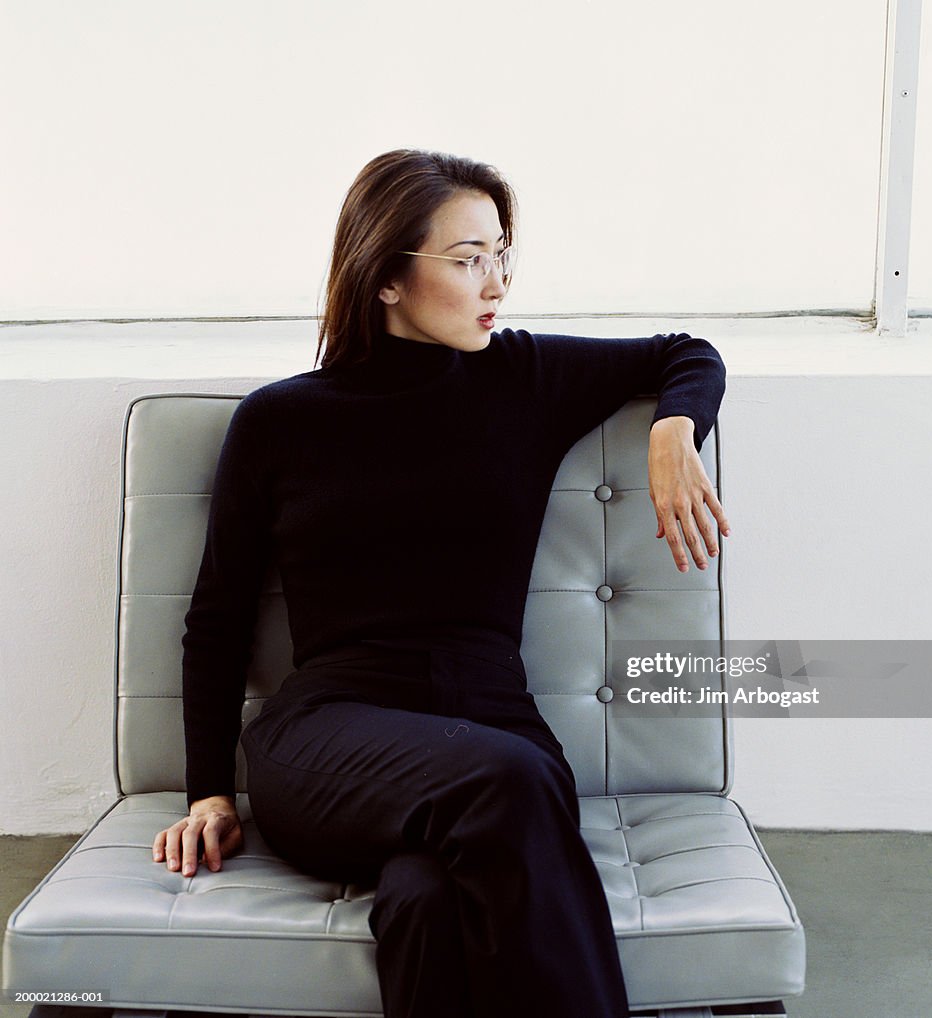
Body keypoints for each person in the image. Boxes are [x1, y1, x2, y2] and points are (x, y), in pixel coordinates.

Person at [152, 148, 729, 1018]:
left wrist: (673, 427)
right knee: (507, 781)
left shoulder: (523, 378)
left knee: (426, 899)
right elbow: (218, 619)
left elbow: (687, 352)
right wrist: (207, 789)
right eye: (467, 261)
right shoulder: (279, 421)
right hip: (329, 740)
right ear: (386, 276)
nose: (495, 282)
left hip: (494, 730)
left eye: (501, 254)